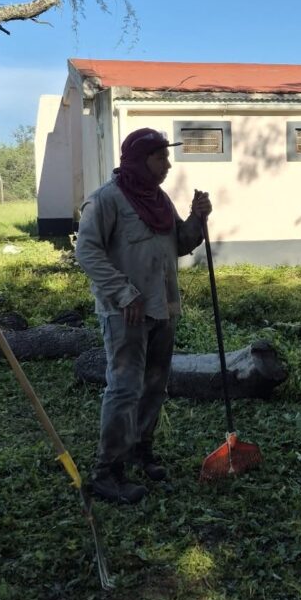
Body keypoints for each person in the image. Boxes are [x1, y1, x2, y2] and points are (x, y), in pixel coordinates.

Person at [75, 127, 212, 504]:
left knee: (155, 383)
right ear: (139, 159)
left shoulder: (159, 200)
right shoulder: (107, 200)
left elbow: (179, 243)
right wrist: (122, 292)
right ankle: (107, 471)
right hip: (126, 313)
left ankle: (140, 450)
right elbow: (87, 252)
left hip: (162, 307)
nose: (167, 164)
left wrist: (196, 219)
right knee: (124, 388)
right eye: (160, 157)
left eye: (167, 157)